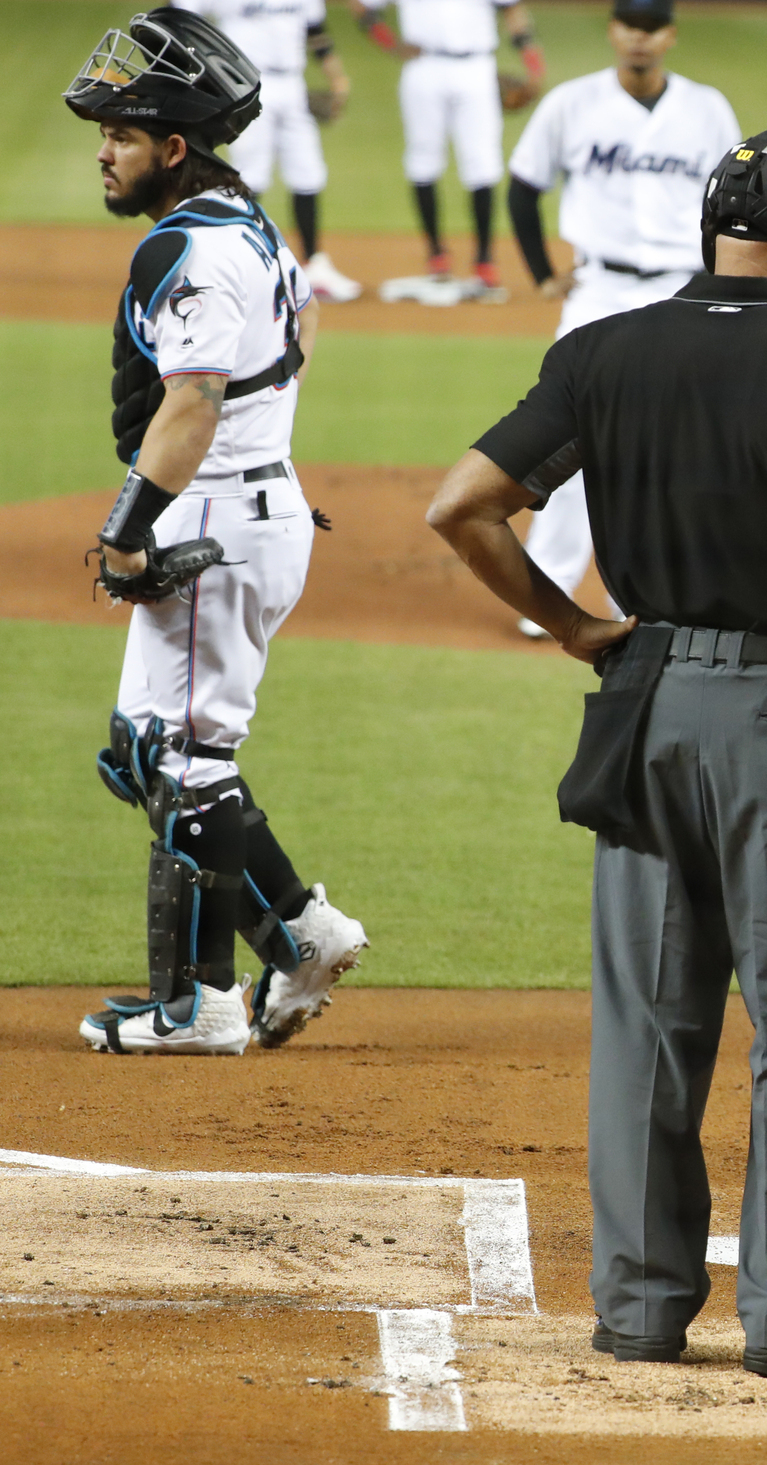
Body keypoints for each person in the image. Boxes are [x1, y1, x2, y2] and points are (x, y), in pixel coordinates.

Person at [428, 130, 767, 1376]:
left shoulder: (603, 348)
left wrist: (573, 627)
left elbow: (458, 502)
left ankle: (636, 1306)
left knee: (646, 1027)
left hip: (644, 709)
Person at [65, 7, 369, 1058]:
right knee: (151, 750)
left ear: (175, 146)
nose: (103, 150)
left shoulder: (187, 248)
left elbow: (190, 400)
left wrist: (126, 531)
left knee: (184, 758)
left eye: (121, 133)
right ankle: (302, 933)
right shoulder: (250, 221)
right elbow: (301, 337)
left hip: (213, 518)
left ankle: (200, 1003)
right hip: (254, 504)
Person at [503, 0, 738, 641]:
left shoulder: (707, 109)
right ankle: (546, 592)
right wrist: (544, 273)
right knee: (571, 440)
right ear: (614, 33)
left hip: (682, 292)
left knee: (676, 445)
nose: (640, 39)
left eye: (651, 27)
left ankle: (641, 592)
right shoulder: (572, 105)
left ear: (670, 35)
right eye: (630, 26)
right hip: (598, 290)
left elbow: (732, 206)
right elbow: (523, 185)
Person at [350, 0, 544, 301]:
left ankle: (484, 260)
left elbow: (513, 10)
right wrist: (391, 44)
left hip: (477, 67)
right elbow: (362, 7)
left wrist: (533, 62)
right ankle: (436, 255)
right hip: (424, 67)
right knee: (422, 159)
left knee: (483, 162)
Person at [174, 0, 364, 302]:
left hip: (293, 85)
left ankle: (314, 262)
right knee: (251, 176)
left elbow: (315, 32)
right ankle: (239, 264)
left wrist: (336, 76)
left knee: (309, 172)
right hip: (244, 85)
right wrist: (198, 72)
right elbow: (177, 16)